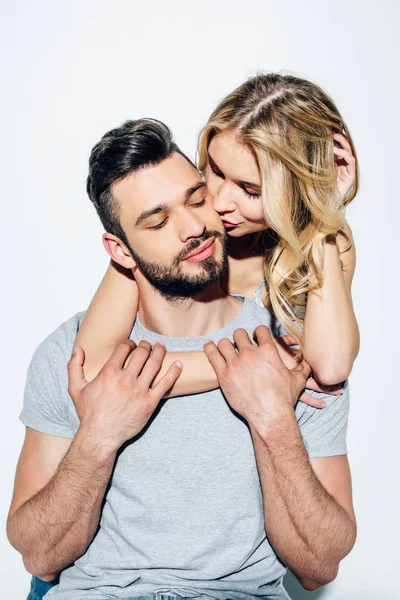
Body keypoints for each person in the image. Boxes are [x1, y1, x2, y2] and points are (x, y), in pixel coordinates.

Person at [8, 118, 356, 600]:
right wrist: (99, 436)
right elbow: (38, 555)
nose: (195, 227)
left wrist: (273, 417)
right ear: (120, 251)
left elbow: (321, 564)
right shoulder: (70, 354)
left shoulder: (295, 351)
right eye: (158, 221)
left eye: (197, 199)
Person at [72, 73, 359, 400]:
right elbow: (93, 368)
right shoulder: (171, 236)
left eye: (250, 191)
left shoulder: (326, 242)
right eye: (216, 171)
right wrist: (257, 362)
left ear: (298, 192)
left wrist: (325, 215)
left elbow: (332, 367)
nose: (219, 202)